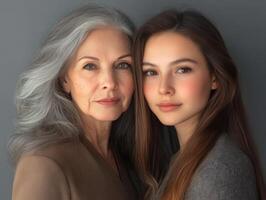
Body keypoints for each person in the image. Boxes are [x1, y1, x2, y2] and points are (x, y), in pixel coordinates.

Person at [8, 4, 139, 200]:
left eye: (122, 65)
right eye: (90, 66)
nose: (109, 83)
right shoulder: (44, 163)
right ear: (64, 80)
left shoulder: (131, 157)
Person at [132, 10, 265, 199]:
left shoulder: (219, 171)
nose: (164, 88)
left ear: (215, 77)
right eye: (151, 72)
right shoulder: (182, 159)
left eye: (182, 69)